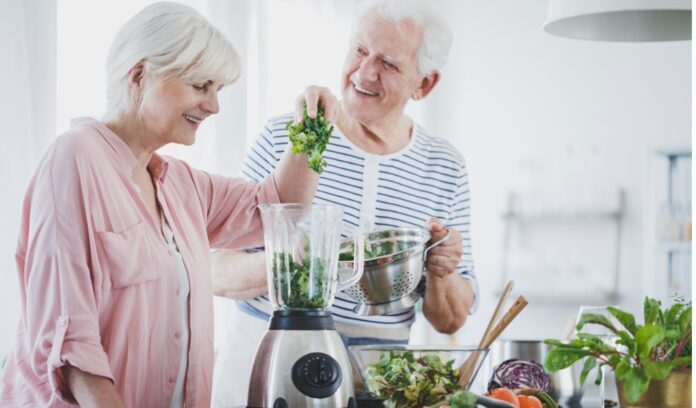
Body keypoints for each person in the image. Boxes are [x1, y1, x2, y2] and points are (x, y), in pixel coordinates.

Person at [0, 2, 319, 407]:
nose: (214, 106)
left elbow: (279, 204)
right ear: (139, 75)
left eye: (217, 90)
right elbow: (72, 348)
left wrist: (313, 127)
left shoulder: (181, 185)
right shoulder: (75, 159)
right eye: (201, 86)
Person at [210, 0, 479, 405]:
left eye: (388, 63)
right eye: (359, 50)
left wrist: (442, 273)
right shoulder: (293, 134)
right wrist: (294, 262)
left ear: (423, 84)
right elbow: (216, 270)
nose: (364, 72)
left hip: (377, 383)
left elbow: (452, 319)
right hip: (264, 368)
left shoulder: (445, 167)